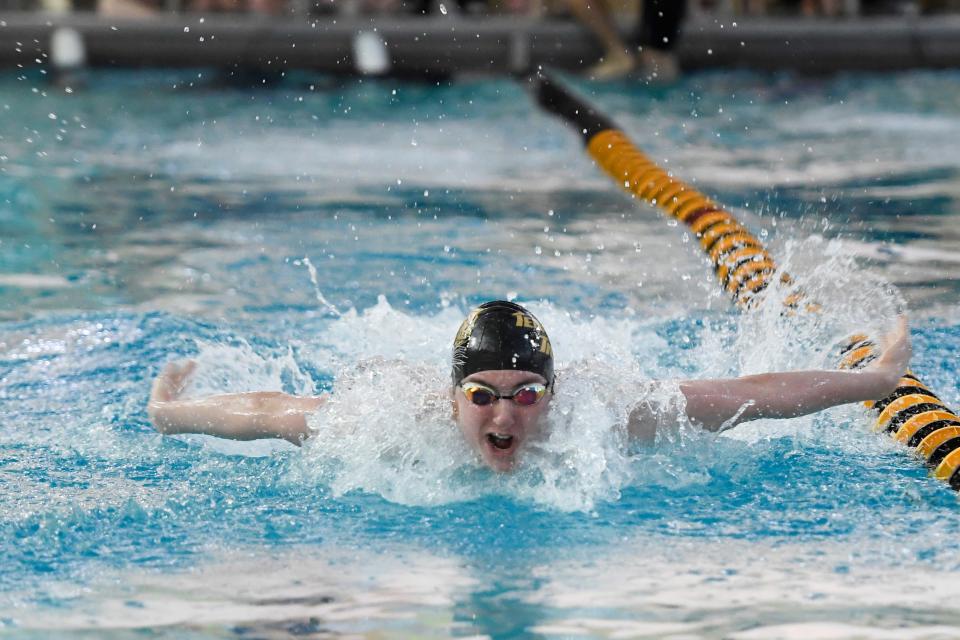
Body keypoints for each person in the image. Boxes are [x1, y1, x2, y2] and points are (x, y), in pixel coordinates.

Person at [149, 300, 912, 473]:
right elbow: (267, 413)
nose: (507, 412)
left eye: (526, 393)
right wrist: (173, 413)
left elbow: (756, 394)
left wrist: (873, 381)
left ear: (554, 391)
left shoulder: (611, 414)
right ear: (451, 400)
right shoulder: (388, 423)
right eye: (482, 395)